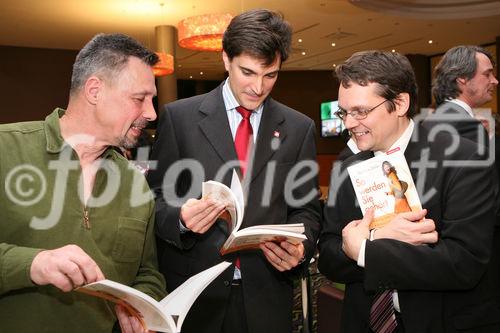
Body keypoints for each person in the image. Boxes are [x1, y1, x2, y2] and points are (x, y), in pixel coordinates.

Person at [147, 9, 321, 333]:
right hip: (196, 296)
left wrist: (302, 247)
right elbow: (154, 199)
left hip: (267, 295)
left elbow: (307, 209)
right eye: (248, 72)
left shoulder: (298, 128)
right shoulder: (179, 118)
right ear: (226, 59)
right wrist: (182, 220)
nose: (259, 87)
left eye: (270, 75)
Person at [318, 50, 500, 332]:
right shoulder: (347, 166)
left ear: (400, 103)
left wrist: (367, 250)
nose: (349, 123)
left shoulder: (463, 160)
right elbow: (329, 256)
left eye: (361, 111)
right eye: (345, 112)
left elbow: (463, 263)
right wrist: (378, 235)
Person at [0, 33, 166, 333]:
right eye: (139, 99)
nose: (151, 113)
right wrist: (32, 264)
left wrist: (142, 305)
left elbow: (148, 272)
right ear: (94, 90)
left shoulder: (135, 182)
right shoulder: (5, 149)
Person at [426, 44, 500, 307]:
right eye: (487, 74)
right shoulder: (464, 127)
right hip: (468, 269)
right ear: (462, 79)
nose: (495, 80)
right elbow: (487, 201)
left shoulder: (432, 122)